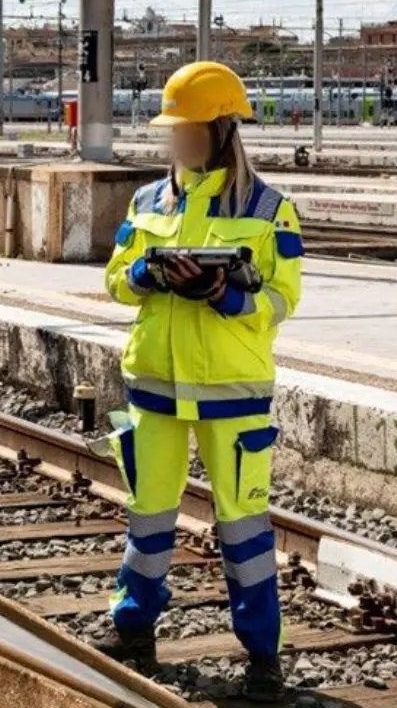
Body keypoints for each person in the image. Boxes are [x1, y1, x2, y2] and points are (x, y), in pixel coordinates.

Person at [98, 61, 303, 702]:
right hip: (155, 386)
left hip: (232, 396)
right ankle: (133, 630)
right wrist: (148, 277)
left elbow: (281, 299)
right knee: (149, 517)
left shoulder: (270, 210)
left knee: (243, 530)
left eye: (188, 128)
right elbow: (114, 278)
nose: (177, 141)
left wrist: (225, 294)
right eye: (173, 130)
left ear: (220, 128)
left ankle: (263, 658)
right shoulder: (148, 201)